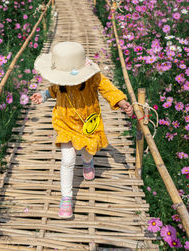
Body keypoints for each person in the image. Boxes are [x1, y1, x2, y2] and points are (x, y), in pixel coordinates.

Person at [30, 42, 133, 218]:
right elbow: (55, 90)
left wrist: (121, 102)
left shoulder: (93, 77)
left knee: (87, 151)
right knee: (67, 160)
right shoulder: (60, 79)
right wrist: (45, 95)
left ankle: (87, 161)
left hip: (88, 122)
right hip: (65, 123)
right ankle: (66, 197)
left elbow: (108, 89)